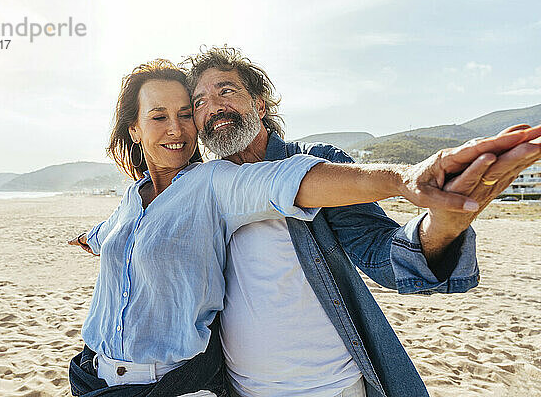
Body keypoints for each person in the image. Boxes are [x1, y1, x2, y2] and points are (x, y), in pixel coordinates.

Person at [185, 46, 541, 397]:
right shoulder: (201, 189)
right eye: (198, 102)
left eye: (226, 91)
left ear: (259, 105)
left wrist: (445, 223)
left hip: (330, 387)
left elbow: (380, 251)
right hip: (238, 388)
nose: (213, 107)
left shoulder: (319, 164)